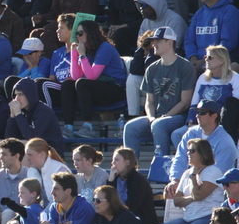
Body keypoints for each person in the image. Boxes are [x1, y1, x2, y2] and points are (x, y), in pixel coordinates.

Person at [151, 138, 223, 224]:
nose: (188, 153)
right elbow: (177, 201)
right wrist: (193, 197)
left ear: (203, 153)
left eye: (192, 151)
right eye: (187, 151)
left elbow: (199, 195)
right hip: (188, 218)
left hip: (208, 217)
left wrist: (194, 180)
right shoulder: (186, 173)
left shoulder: (213, 171)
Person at [123, 27, 196, 157]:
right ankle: (130, 169)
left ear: (170, 42)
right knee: (130, 127)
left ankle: (161, 166)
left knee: (159, 124)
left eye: (158, 41)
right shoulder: (152, 69)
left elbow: (185, 102)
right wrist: (151, 118)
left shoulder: (185, 66)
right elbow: (149, 101)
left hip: (179, 117)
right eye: (153, 41)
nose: (154, 44)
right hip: (157, 117)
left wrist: (164, 116)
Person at [59, 20, 127, 139]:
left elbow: (92, 77)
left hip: (115, 88)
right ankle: (68, 126)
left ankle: (88, 126)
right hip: (98, 88)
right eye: (76, 34)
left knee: (82, 83)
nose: (77, 37)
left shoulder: (105, 48)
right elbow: (75, 76)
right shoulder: (86, 48)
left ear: (90, 33)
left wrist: (82, 55)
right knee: (68, 84)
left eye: (80, 33)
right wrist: (74, 53)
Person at [169, 98, 237, 185]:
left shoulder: (225, 140)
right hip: (190, 180)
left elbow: (220, 171)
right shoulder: (190, 133)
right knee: (170, 194)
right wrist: (175, 180)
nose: (197, 116)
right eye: (197, 112)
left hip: (213, 186)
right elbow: (180, 158)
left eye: (202, 113)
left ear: (214, 116)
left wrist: (199, 184)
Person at [185, 0, 239, 67]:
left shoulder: (230, 11)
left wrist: (204, 62)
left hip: (220, 65)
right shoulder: (199, 14)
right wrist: (193, 60)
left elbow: (227, 44)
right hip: (197, 64)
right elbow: (189, 40)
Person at [5, 79, 65, 154]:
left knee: (23, 146)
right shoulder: (21, 111)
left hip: (51, 152)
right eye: (16, 95)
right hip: (35, 150)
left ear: (29, 95)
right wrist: (12, 117)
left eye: (20, 94)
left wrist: (18, 115)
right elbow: (9, 137)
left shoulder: (43, 111)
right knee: (0, 145)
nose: (17, 98)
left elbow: (32, 137)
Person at [106, 148, 157, 224]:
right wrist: (110, 181)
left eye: (116, 160)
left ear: (127, 162)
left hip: (138, 222)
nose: (112, 163)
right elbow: (107, 199)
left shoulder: (138, 181)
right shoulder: (115, 178)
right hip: (119, 217)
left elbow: (132, 207)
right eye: (112, 160)